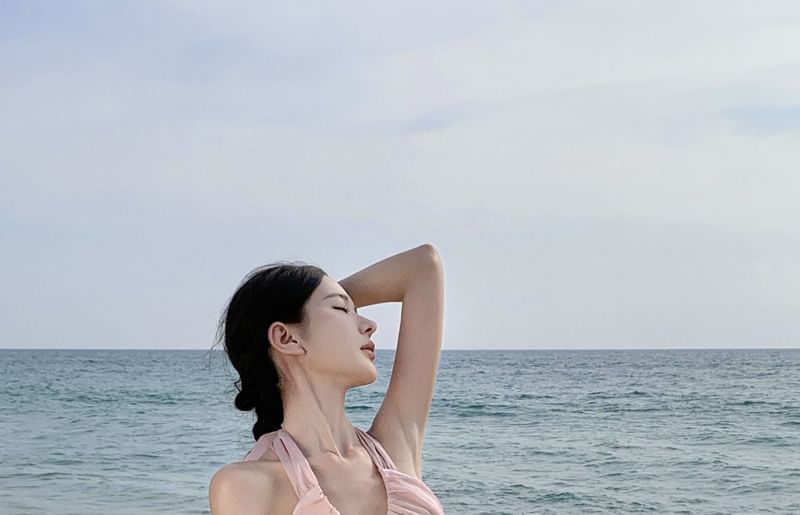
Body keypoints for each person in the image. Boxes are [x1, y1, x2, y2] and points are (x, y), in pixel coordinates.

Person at [208, 243, 446, 514]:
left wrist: (307, 299)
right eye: (341, 309)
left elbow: (423, 265)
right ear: (286, 338)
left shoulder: (393, 448)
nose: (370, 325)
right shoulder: (246, 486)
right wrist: (297, 301)